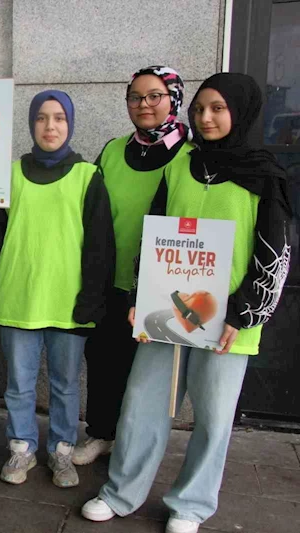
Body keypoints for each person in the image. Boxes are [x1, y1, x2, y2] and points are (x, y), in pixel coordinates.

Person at [81, 73, 292, 533]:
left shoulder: (264, 173)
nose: (206, 117)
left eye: (217, 108)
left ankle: (191, 505)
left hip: (230, 320)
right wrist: (142, 295)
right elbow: (153, 232)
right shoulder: (180, 164)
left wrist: (244, 311)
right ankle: (121, 492)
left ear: (240, 112)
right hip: (168, 311)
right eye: (199, 109)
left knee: (214, 419)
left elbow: (275, 253)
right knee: (141, 403)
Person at [0, 90, 114, 487]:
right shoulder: (8, 175)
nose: (50, 126)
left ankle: (62, 452)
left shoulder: (88, 176)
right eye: (42, 118)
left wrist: (91, 301)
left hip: (69, 303)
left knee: (64, 385)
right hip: (19, 298)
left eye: (59, 118)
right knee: (19, 384)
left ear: (70, 124)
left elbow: (100, 246)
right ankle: (22, 449)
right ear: (31, 125)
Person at [75, 66, 192, 465]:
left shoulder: (192, 155)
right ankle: (101, 434)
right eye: (135, 97)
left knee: (147, 376)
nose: (144, 105)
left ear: (174, 98)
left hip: (162, 287)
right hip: (111, 278)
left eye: (154, 95)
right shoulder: (112, 149)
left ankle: (135, 446)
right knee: (104, 361)